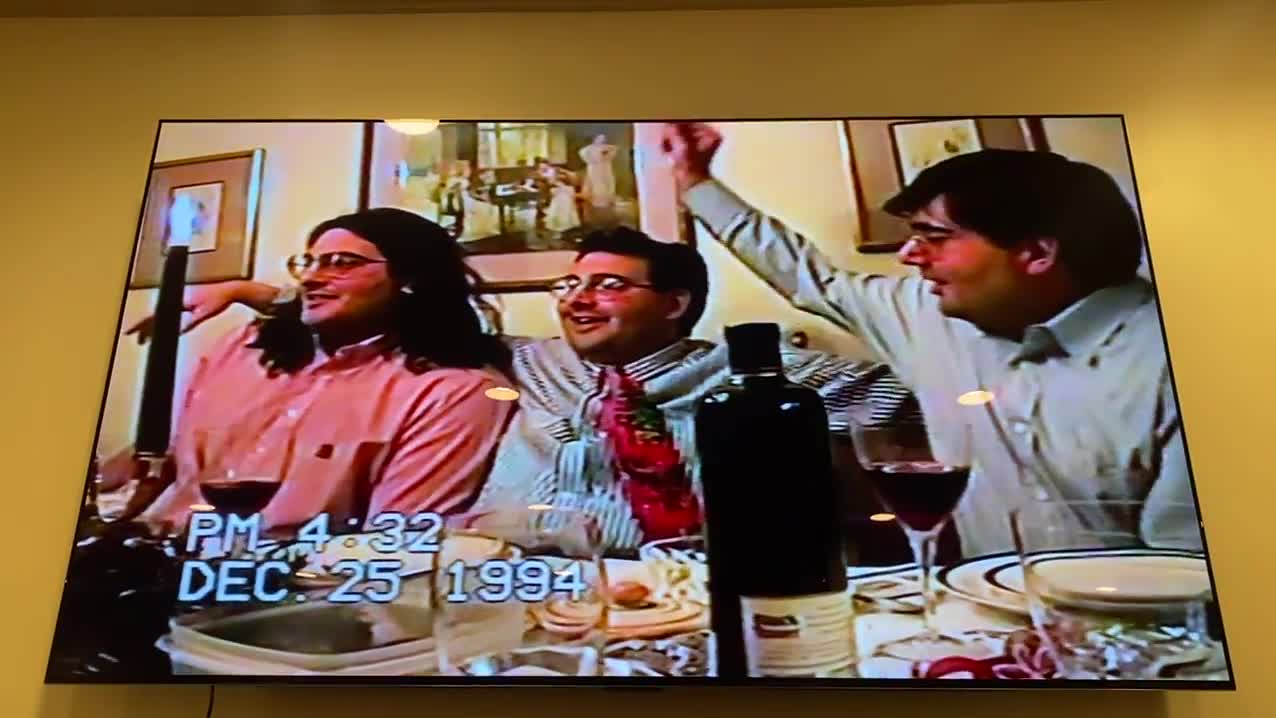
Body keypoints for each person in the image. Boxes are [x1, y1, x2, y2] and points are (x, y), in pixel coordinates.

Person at [133, 226, 915, 550]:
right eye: (569, 285)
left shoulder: (757, 371)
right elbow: (412, 308)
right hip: (507, 574)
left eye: (608, 285)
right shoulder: (527, 361)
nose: (579, 300)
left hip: (682, 575)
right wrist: (253, 292)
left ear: (675, 303)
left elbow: (909, 403)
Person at [661, 122, 1199, 556]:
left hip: (1143, 637)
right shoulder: (928, 314)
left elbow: (1188, 568)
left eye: (934, 237)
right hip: (981, 616)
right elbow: (810, 276)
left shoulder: (1180, 361)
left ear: (1037, 253)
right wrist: (695, 182)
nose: (908, 256)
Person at [130, 208, 514, 536]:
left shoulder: (450, 392)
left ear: (410, 278)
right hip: (152, 560)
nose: (311, 278)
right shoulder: (245, 348)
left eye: (342, 263)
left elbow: (393, 542)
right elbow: (166, 464)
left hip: (287, 586)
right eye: (309, 263)